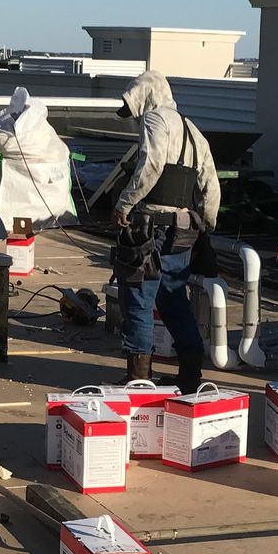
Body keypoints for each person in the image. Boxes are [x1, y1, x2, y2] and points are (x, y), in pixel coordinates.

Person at [111, 69, 221, 393]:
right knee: (174, 300)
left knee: (138, 299)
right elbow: (211, 186)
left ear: (146, 97)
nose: (135, 119)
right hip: (183, 231)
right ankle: (190, 377)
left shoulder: (155, 120)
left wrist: (124, 204)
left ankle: (138, 379)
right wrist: (207, 226)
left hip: (151, 229)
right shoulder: (194, 131)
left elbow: (151, 166)